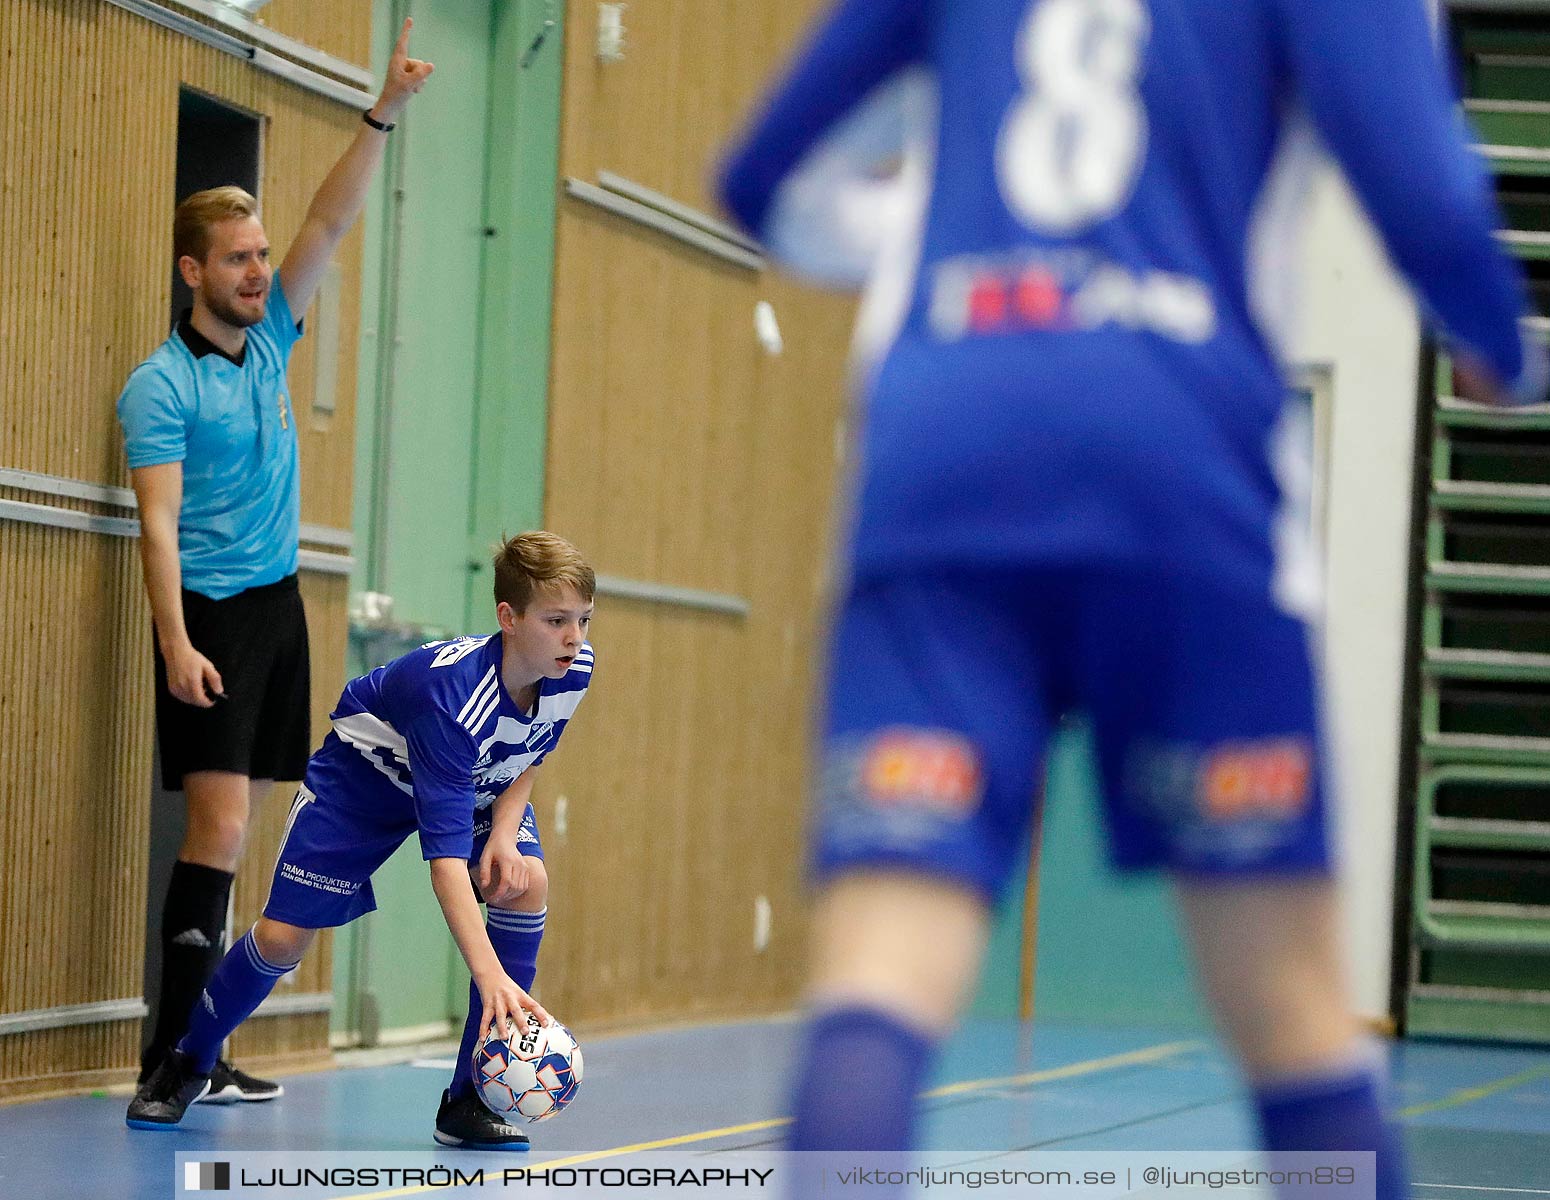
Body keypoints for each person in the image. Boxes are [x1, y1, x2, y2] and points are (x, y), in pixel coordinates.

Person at [718, 1, 1546, 1196]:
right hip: (1179, 465)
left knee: (879, 974)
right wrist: (1493, 340)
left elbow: (761, 174)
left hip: (943, 454)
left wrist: (922, 236)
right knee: (1294, 1011)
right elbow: (1413, 177)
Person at [115, 21, 433, 1103]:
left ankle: (201, 1050)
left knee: (246, 828)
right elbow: (155, 528)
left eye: (262, 258)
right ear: (192, 270)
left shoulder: (271, 340)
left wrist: (379, 111)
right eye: (238, 260)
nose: (259, 271)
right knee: (221, 825)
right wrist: (173, 644)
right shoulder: (159, 386)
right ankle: (168, 1062)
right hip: (204, 612)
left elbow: (331, 217)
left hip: (277, 606)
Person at [127, 531, 595, 1149]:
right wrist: (490, 978)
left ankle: (468, 1100)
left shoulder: (571, 668)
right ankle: (187, 1060)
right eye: (557, 620)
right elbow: (447, 864)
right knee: (282, 938)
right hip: (367, 778)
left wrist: (506, 834)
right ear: (508, 619)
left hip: (481, 779)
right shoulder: (453, 703)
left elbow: (532, 750)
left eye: (584, 620)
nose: (575, 637)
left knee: (526, 883)